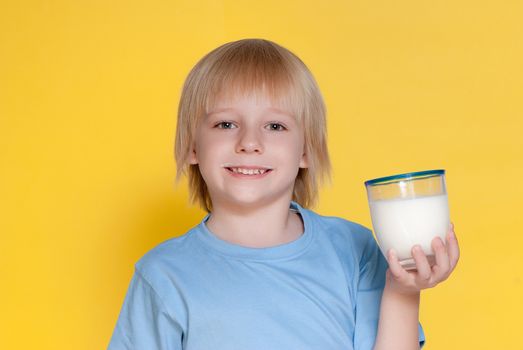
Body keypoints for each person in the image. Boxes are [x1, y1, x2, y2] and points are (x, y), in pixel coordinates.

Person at [108, 38, 460, 350]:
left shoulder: (356, 251)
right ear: (193, 147)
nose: (249, 142)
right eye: (225, 124)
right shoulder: (163, 276)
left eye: (275, 126)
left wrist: (403, 290)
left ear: (306, 150)